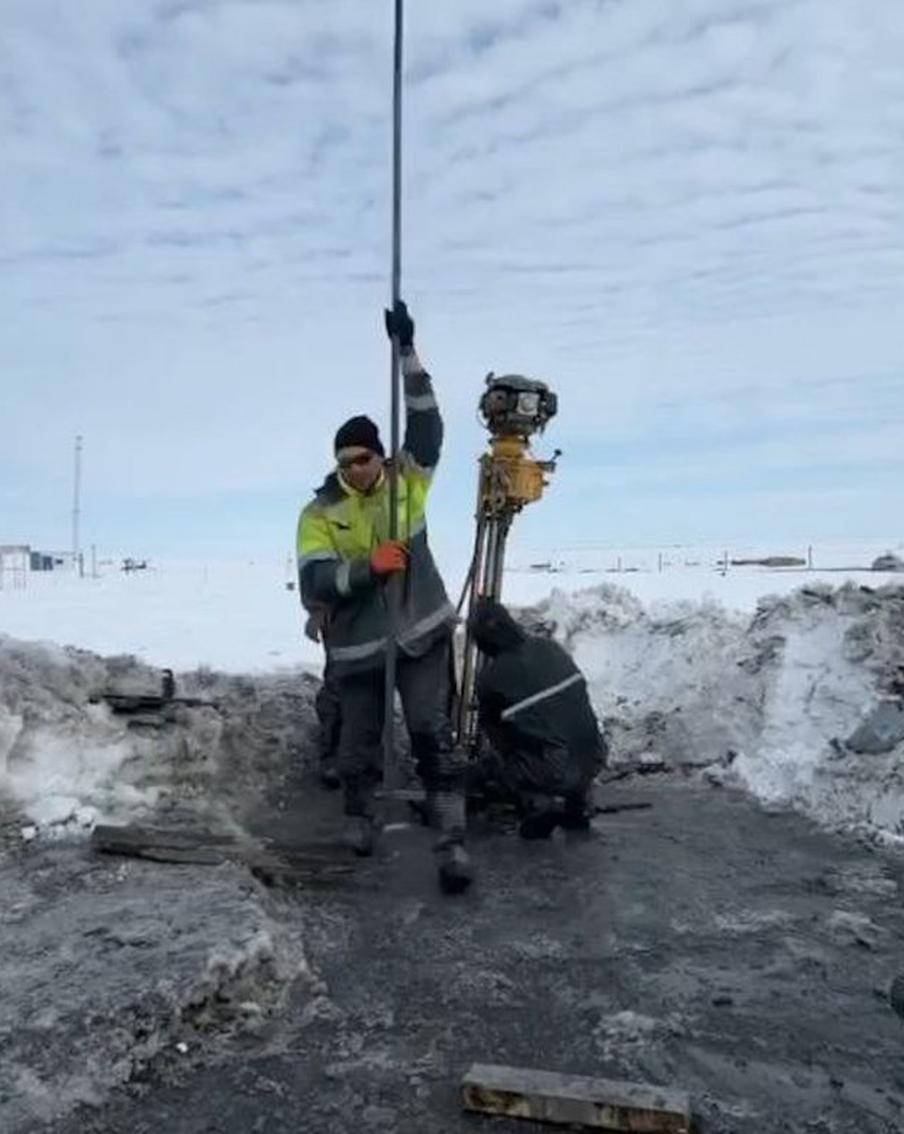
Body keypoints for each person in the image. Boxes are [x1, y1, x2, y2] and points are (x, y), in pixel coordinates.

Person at [296, 300, 472, 894]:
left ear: (378, 455)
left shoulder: (407, 482)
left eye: (365, 457)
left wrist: (407, 354)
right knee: (356, 747)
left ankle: (451, 836)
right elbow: (315, 580)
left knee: (430, 732)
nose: (357, 467)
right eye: (346, 460)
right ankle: (359, 818)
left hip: (418, 632)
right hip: (359, 649)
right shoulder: (319, 512)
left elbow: (428, 424)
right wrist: (367, 568)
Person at [470, 597, 607, 839]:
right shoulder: (550, 647)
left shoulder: (491, 678)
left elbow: (498, 740)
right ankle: (578, 801)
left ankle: (538, 803)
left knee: (491, 770)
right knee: (556, 735)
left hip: (554, 769)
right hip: (595, 755)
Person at [303, 607, 342, 790]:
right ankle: (332, 751)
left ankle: (372, 752)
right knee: (340, 679)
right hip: (343, 613)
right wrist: (319, 610)